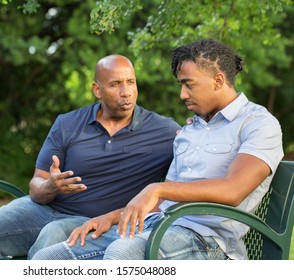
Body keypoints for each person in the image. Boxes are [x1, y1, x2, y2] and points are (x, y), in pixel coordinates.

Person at [31, 39, 284, 260]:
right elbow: (163, 202)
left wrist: (157, 187)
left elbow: (234, 190)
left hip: (207, 242)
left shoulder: (258, 124)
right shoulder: (190, 131)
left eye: (189, 85)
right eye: (180, 85)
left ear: (218, 80)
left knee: (122, 254)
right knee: (51, 257)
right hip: (158, 226)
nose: (182, 95)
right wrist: (112, 216)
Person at [0, 54, 181, 259]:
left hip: (94, 221)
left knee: (51, 239)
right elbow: (36, 185)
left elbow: (196, 152)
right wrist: (51, 186)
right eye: (115, 84)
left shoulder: (164, 131)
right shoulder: (68, 123)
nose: (126, 91)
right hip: (41, 209)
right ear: (97, 90)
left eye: (131, 82)